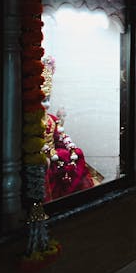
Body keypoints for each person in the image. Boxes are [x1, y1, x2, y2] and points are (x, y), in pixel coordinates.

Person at [40, 56, 102, 201]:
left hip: (55, 152)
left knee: (76, 154)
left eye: (48, 99)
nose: (47, 105)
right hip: (44, 154)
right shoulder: (31, 122)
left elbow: (61, 137)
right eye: (43, 100)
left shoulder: (52, 119)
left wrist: (71, 148)